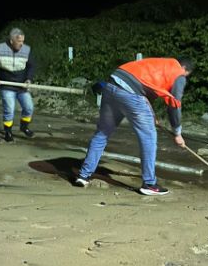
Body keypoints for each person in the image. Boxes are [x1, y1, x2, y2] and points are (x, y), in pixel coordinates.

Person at [73, 56, 193, 196]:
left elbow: (145, 90)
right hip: (131, 93)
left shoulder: (160, 64)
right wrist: (177, 133)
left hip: (112, 86)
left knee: (103, 133)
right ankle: (149, 184)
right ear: (185, 69)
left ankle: (83, 176)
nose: (184, 78)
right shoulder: (178, 73)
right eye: (186, 75)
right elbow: (175, 105)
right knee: (149, 138)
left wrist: (151, 115)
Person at [0, 27, 37, 141]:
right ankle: (8, 132)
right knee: (9, 109)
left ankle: (24, 127)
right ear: (11, 41)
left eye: (23, 41)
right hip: (6, 85)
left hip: (21, 85)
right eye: (19, 41)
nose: (22, 44)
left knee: (29, 107)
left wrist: (29, 79)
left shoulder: (26, 50)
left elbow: (32, 65)